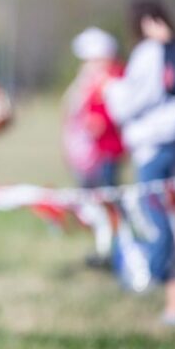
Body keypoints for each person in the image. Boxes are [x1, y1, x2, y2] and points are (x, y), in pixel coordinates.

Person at [104, 0, 175, 325]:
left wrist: (113, 92)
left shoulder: (150, 53)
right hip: (166, 140)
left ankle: (155, 273)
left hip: (156, 145)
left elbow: (136, 100)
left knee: (158, 217)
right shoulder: (167, 51)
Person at [62, 26, 125, 267]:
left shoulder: (113, 78)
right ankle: (103, 248)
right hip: (85, 154)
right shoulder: (85, 80)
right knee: (90, 206)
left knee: (108, 204)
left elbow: (114, 114)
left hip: (105, 152)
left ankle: (113, 251)